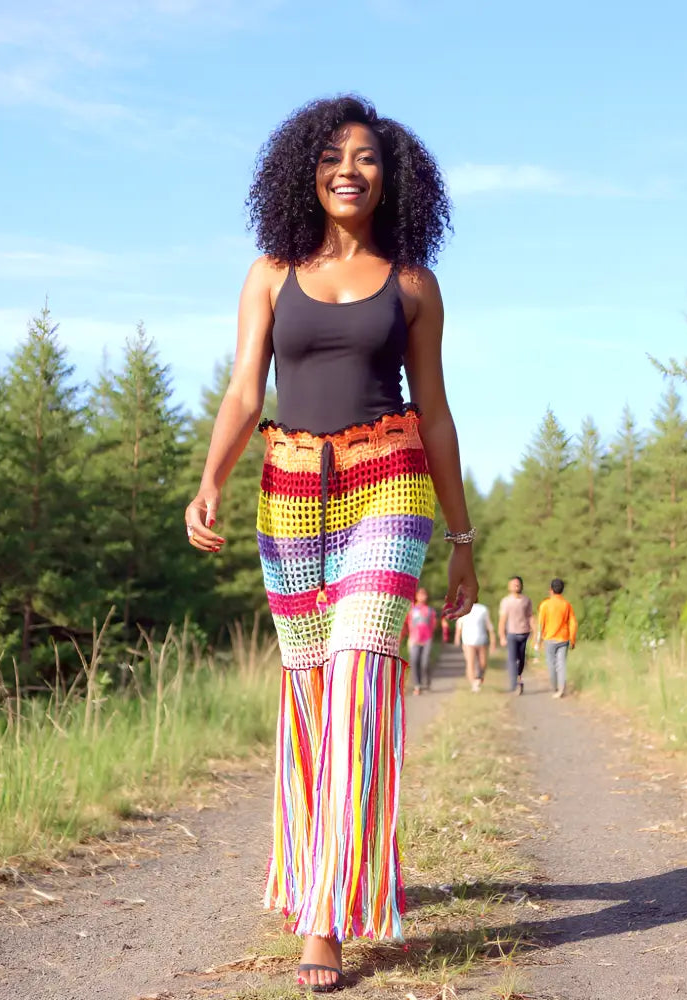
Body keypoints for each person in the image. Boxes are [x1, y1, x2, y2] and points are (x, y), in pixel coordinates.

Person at [184, 95, 477, 993]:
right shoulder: (271, 272)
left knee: (357, 675)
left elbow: (433, 410)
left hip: (387, 479)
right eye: (331, 155)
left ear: (392, 176)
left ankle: (326, 917)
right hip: (290, 491)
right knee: (310, 691)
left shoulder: (415, 283)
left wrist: (461, 535)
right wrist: (210, 478)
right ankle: (333, 869)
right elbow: (243, 390)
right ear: (306, 172)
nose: (349, 168)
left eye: (367, 157)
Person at [535, 577, 578, 699]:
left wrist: (538, 641)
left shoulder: (545, 605)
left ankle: (555, 688)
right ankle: (562, 688)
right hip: (563, 639)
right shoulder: (566, 605)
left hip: (549, 639)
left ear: (551, 590)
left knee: (551, 664)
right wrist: (573, 639)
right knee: (561, 664)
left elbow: (540, 624)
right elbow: (573, 623)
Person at [498, 576, 534, 695]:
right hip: (512, 634)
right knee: (512, 660)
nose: (516, 586)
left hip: (524, 633)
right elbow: (502, 620)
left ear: (521, 586)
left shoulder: (526, 600)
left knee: (522, 660)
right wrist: (502, 636)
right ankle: (515, 685)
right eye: (513, 584)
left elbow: (530, 617)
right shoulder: (506, 601)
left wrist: (535, 632)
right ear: (509, 587)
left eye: (518, 584)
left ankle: (519, 678)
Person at [455, 601, 495, 691]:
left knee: (483, 663)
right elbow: (459, 625)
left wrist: (493, 640)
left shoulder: (483, 609)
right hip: (468, 641)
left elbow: (489, 625)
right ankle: (474, 684)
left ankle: (479, 678)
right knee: (470, 663)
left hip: (482, 640)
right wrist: (457, 637)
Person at [406, 587, 437, 695]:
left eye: (424, 594)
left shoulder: (429, 610)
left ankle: (427, 682)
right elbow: (407, 624)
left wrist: (429, 636)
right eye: (420, 594)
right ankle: (417, 685)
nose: (422, 596)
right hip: (414, 640)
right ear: (416, 596)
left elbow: (433, 625)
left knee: (425, 662)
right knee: (414, 661)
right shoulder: (411, 610)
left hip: (426, 639)